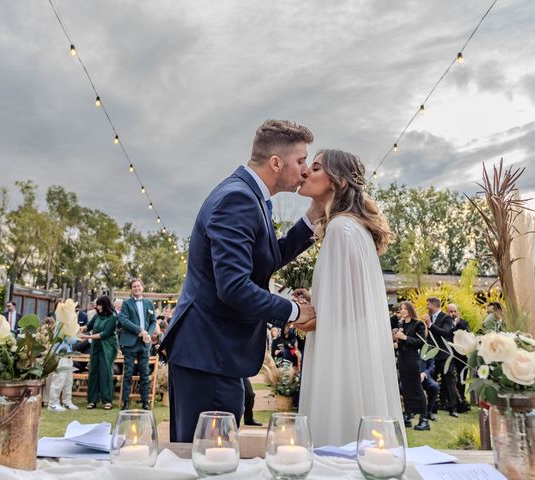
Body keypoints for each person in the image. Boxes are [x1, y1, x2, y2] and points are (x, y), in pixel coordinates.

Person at [159, 119, 320, 442]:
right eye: (301, 160)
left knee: (208, 458)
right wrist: (293, 311)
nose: (305, 169)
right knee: (206, 461)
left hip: (211, 354)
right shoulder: (238, 199)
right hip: (209, 354)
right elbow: (233, 287)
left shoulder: (251, 196)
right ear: (276, 162)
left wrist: (313, 216)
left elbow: (266, 258)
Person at [294, 149, 404, 446]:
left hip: (341, 357)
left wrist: (311, 317)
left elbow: (352, 308)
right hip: (345, 348)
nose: (306, 172)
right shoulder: (346, 227)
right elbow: (351, 295)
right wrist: (316, 297)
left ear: (337, 181)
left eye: (315, 168)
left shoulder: (342, 229)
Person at [119, 278, 156, 410]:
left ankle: (145, 401)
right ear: (131, 289)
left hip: (144, 344)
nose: (136, 288)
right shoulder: (126, 304)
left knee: (144, 373)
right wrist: (139, 330)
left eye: (138, 286)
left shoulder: (149, 303)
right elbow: (123, 320)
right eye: (134, 286)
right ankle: (125, 401)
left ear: (142, 287)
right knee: (128, 373)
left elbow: (153, 321)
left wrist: (148, 334)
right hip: (130, 343)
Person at [393, 301, 430, 431]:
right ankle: (408, 415)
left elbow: (421, 342)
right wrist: (397, 344)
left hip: (412, 360)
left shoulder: (418, 324)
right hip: (402, 359)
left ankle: (424, 419)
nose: (402, 310)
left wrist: (404, 338)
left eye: (404, 308)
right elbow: (403, 343)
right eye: (401, 309)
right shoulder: (401, 324)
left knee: (416, 388)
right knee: (406, 388)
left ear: (410, 310)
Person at [81, 296, 119, 410]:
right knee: (93, 371)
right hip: (96, 346)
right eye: (97, 305)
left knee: (105, 371)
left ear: (105, 305)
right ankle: (92, 400)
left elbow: (105, 334)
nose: (97, 307)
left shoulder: (112, 317)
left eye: (99, 305)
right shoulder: (97, 315)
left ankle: (107, 400)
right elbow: (89, 326)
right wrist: (80, 329)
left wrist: (88, 336)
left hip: (107, 347)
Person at [425, 297, 459, 417]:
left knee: (448, 381)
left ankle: (452, 408)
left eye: (428, 304)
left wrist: (430, 324)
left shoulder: (446, 318)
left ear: (434, 305)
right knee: (431, 381)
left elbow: (445, 332)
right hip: (431, 354)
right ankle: (431, 408)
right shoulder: (428, 317)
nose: (427, 307)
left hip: (444, 354)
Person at [448, 303, 471, 413]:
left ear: (457, 311)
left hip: (462, 355)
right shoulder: (446, 323)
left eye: (454, 311)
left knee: (462, 379)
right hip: (450, 355)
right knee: (453, 379)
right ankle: (454, 401)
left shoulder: (463, 322)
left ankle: (462, 400)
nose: (452, 313)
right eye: (450, 311)